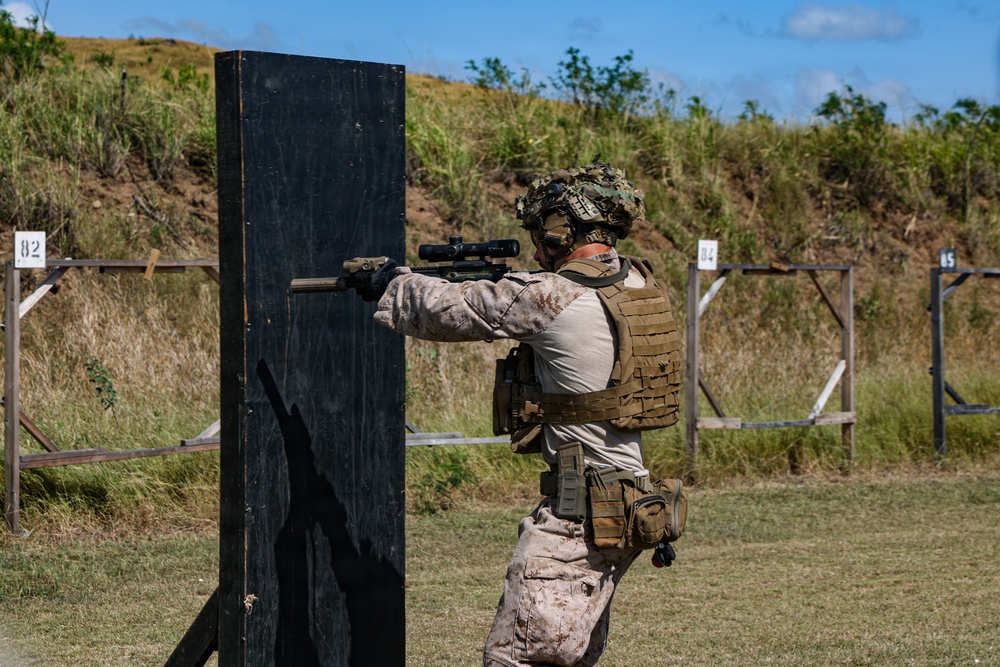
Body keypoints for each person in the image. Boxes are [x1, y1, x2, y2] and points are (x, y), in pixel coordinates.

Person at [364, 161, 682, 667]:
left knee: (519, 660)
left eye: (542, 235)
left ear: (565, 230)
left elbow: (449, 308)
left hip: (578, 520)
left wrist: (388, 281)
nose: (537, 249)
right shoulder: (639, 284)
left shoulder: (553, 296)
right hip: (630, 504)